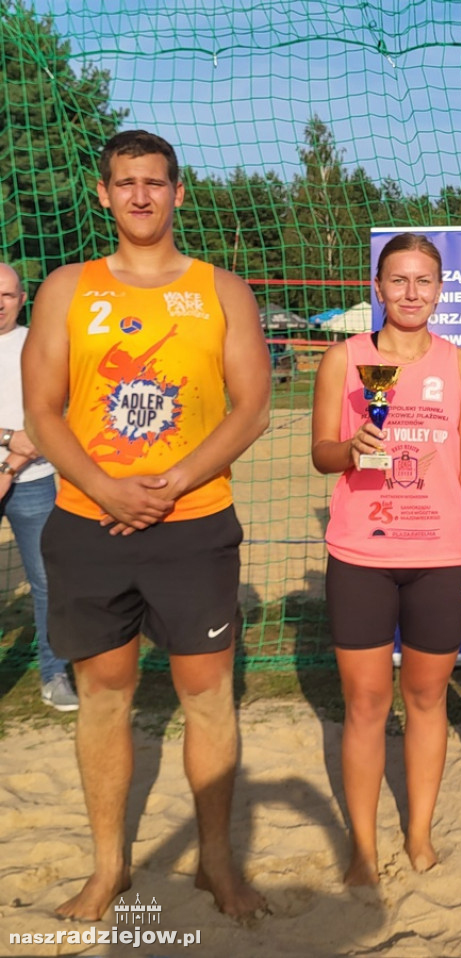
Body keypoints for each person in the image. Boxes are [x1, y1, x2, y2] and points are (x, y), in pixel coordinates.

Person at [23, 130, 270, 921]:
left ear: (178, 192)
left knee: (208, 699)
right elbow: (42, 410)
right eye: (124, 182)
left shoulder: (222, 290)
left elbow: (253, 407)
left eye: (154, 182)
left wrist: (172, 483)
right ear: (103, 194)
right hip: (88, 522)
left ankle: (217, 867)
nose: (139, 195)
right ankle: (108, 870)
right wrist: (103, 487)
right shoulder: (66, 288)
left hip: (192, 523)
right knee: (104, 697)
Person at [311, 232, 461, 886]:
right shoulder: (345, 360)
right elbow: (321, 455)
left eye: (424, 281)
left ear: (440, 289)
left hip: (440, 555)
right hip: (362, 552)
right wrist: (351, 448)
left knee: (425, 697)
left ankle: (417, 831)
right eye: (399, 280)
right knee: (364, 703)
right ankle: (363, 845)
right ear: (378, 286)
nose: (412, 293)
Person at [0, 264, 78, 710]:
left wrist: (12, 464)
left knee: (49, 581)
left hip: (34, 478)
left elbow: (59, 411)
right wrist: (10, 438)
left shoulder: (39, 343)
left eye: (7, 295)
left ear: (23, 297)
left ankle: (54, 674)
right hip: (18, 459)